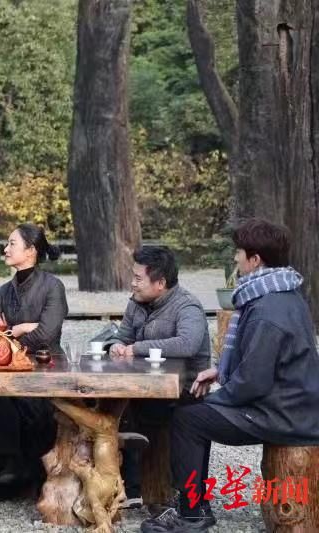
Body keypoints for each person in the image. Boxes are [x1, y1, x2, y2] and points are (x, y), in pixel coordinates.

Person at [141, 218, 319, 532]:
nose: (235, 259)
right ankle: (193, 504)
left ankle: (192, 513)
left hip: (284, 415)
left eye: (239, 252)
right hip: (288, 402)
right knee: (193, 408)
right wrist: (220, 372)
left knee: (189, 418)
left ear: (255, 259)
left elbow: (254, 381)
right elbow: (261, 365)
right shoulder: (281, 293)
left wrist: (217, 395)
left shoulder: (266, 310)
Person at [103, 246, 211, 509]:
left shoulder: (188, 306)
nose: (133, 283)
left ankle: (179, 495)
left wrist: (137, 348)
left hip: (183, 391)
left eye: (138, 278)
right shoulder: (136, 302)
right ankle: (129, 489)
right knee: (107, 407)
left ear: (160, 283)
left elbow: (187, 344)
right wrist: (115, 345)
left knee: (138, 411)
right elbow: (123, 335)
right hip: (143, 386)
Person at [0, 223, 68, 504]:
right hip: (8, 370)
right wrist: (18, 331)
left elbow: (46, 333)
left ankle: (23, 470)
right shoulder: (5, 290)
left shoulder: (53, 287)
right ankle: (5, 470)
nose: (5, 248)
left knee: (29, 405)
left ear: (31, 251)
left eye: (12, 243)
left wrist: (17, 331)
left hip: (45, 371)